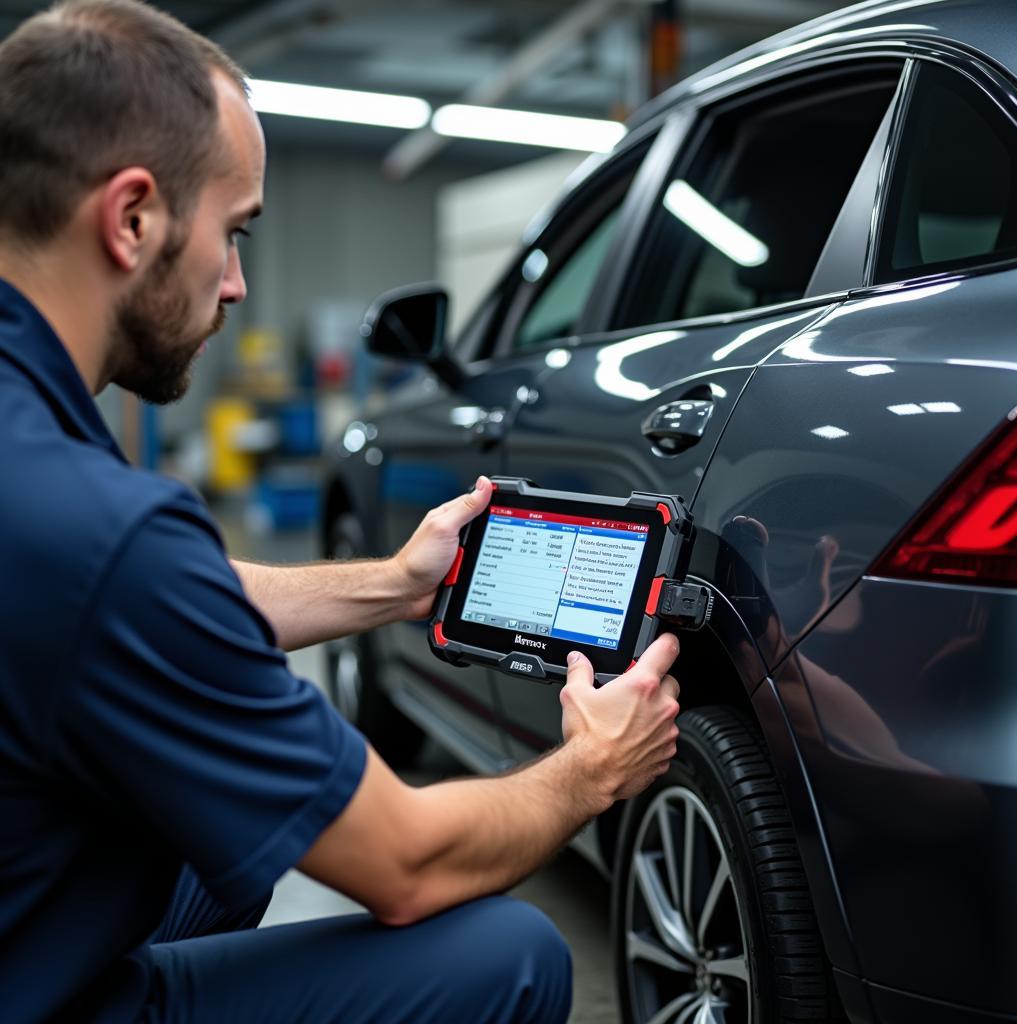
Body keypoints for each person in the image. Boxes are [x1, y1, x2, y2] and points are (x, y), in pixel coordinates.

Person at [0, 2, 682, 1021]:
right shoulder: (102, 530)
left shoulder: (43, 472)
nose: (235, 284)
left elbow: (128, 605)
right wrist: (589, 769)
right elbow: (403, 863)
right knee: (508, 951)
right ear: (132, 218)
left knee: (222, 851)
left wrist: (390, 586)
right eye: (233, 234)